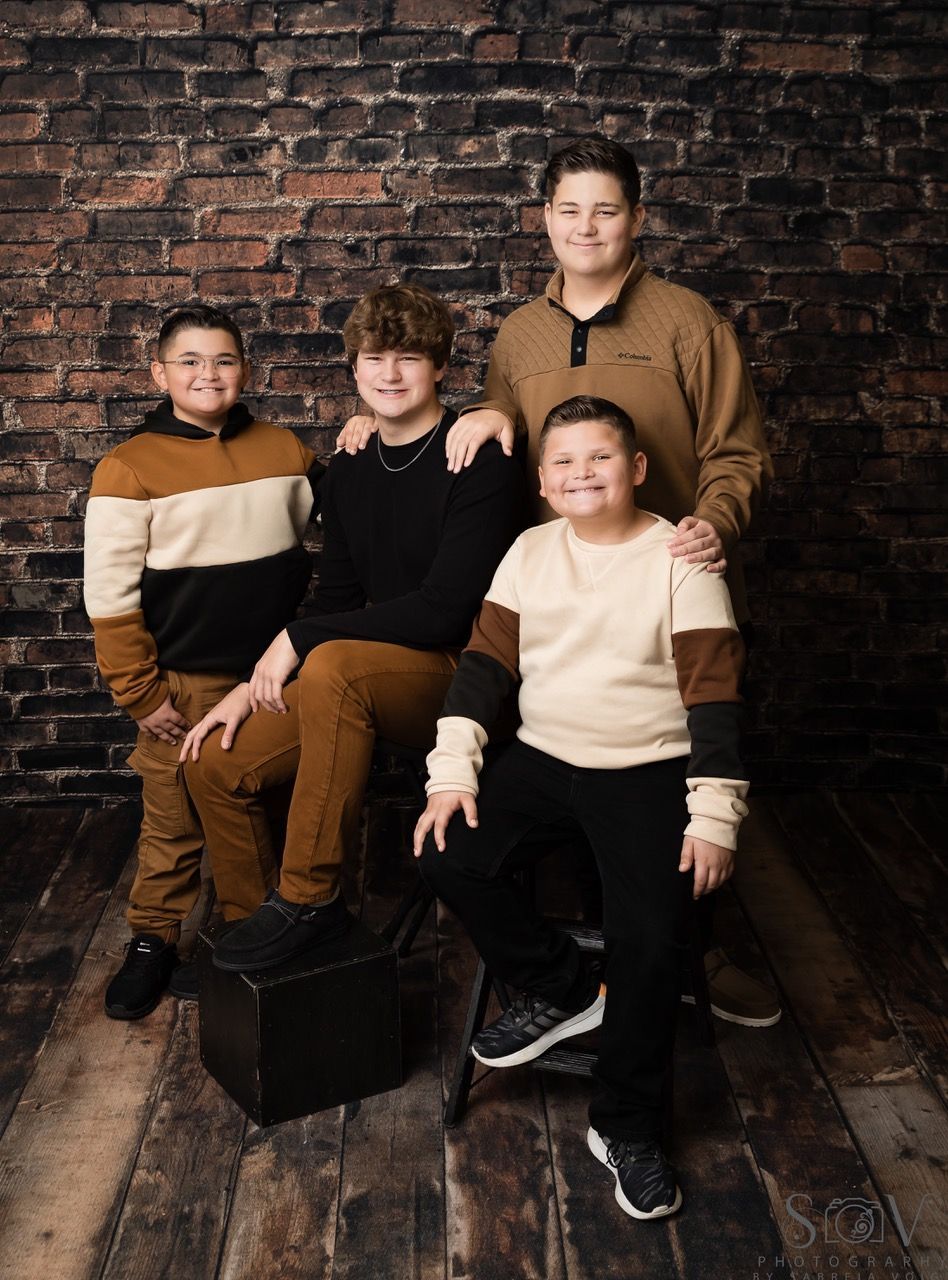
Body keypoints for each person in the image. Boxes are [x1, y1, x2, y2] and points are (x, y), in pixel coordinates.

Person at [340, 134, 778, 1027]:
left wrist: (713, 524)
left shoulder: (689, 321)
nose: (587, 226)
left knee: (671, 796)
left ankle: (696, 951)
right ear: (545, 221)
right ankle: (585, 981)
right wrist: (396, 420)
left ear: (637, 220)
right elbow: (501, 432)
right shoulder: (522, 332)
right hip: (557, 598)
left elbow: (737, 450)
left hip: (668, 582)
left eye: (607, 209)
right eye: (569, 209)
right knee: (563, 789)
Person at [413, 396, 750, 1220]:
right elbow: (483, 670)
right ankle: (564, 988)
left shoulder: (681, 556)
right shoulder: (529, 551)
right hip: (542, 757)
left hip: (648, 768)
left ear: (635, 468)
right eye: (563, 462)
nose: (581, 474)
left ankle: (626, 1126)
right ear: (542, 481)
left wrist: (713, 816)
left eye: (599, 458)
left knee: (651, 937)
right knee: (443, 851)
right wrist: (452, 772)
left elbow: (713, 699)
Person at [179, 284, 526, 972]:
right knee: (218, 761)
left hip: (465, 675)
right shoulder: (352, 465)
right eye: (374, 359)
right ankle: (257, 944)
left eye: (409, 358)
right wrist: (252, 687)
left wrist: (299, 642)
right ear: (354, 368)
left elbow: (447, 610)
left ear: (441, 367)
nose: (390, 374)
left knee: (335, 664)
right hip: (365, 681)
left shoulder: (480, 459)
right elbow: (335, 596)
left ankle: (310, 902)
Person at [84, 305, 321, 1020]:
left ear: (245, 370)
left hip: (272, 675)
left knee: (266, 806)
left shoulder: (286, 450)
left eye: (222, 360)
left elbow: (351, 528)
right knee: (172, 819)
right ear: (159, 373)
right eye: (189, 361)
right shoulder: (129, 467)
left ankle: (251, 929)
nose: (207, 374)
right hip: (183, 681)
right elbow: (111, 595)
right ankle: (154, 939)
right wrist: (139, 691)